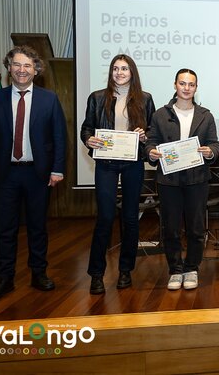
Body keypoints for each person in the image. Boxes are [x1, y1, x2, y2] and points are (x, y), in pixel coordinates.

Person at [0, 45, 67, 301]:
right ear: (9, 68)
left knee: (38, 228)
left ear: (36, 70)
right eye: (16, 64)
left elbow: (59, 137)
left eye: (27, 65)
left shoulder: (49, 99)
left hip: (38, 174)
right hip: (5, 175)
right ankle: (4, 278)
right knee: (5, 230)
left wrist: (57, 169)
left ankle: (39, 274)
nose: (22, 70)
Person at [81, 54, 155, 295]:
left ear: (132, 72)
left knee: (131, 218)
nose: (119, 73)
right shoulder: (97, 97)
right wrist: (89, 139)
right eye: (115, 68)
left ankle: (125, 270)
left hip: (133, 163)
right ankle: (96, 274)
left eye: (124, 68)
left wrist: (145, 136)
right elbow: (86, 128)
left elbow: (152, 131)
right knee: (105, 217)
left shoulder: (145, 99)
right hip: (106, 163)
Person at [146, 69, 219, 291]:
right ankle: (175, 269)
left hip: (197, 179)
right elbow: (151, 142)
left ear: (196, 88)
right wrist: (151, 153)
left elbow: (215, 144)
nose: (186, 88)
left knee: (196, 228)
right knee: (171, 228)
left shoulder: (206, 115)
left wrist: (210, 151)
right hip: (169, 180)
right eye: (182, 83)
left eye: (191, 84)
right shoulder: (160, 115)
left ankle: (192, 268)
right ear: (175, 85)